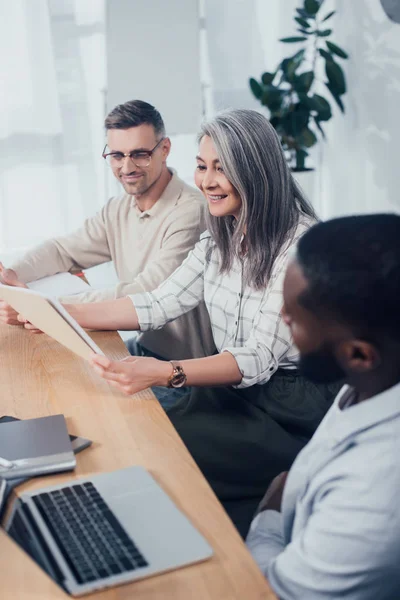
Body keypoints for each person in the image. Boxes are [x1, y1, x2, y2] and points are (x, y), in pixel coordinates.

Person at [20, 109, 339, 534]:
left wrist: (167, 372)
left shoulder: (298, 244)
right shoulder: (220, 234)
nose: (206, 181)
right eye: (202, 166)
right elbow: (157, 302)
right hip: (227, 389)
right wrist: (57, 313)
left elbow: (258, 358)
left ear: (255, 170)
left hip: (286, 404)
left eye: (221, 168)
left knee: (153, 451)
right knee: (132, 435)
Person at [246, 214, 400, 600]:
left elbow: (273, 592)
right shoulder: (371, 381)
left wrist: (269, 513)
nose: (283, 320)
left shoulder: (377, 494)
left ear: (359, 355)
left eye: (294, 320)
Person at [0, 99, 214, 362]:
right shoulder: (118, 209)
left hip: (184, 370)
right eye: (116, 155)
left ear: (165, 149)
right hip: (144, 348)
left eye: (139, 154)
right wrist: (10, 277)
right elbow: (62, 250)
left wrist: (46, 308)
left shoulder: (191, 212)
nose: (126, 167)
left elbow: (144, 295)